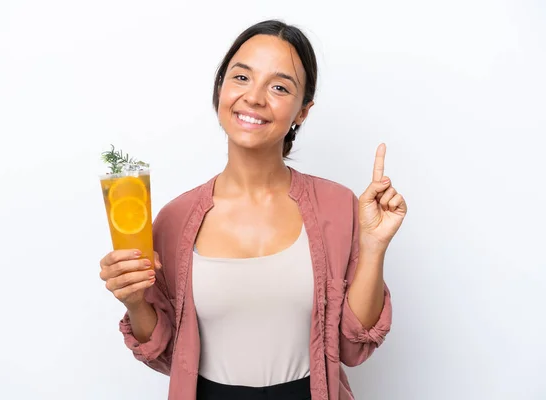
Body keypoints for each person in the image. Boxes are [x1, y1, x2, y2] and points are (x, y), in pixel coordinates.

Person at [99, 19, 407, 400]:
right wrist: (133, 301)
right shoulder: (173, 220)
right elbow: (165, 355)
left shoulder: (339, 206)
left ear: (302, 112)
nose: (255, 97)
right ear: (220, 89)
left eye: (279, 87)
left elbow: (353, 346)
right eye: (241, 77)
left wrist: (374, 246)